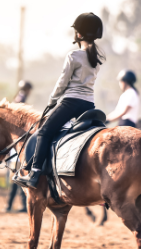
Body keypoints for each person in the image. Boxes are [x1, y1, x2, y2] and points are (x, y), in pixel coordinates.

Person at [13, 12, 104, 189]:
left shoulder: (74, 56)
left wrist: (52, 101)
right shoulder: (97, 59)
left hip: (71, 102)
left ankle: (34, 173)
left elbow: (62, 83)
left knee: (45, 132)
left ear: (78, 34)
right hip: (89, 105)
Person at [5, 80, 33, 212]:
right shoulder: (21, 99)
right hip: (18, 146)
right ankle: (15, 205)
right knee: (19, 175)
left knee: (17, 176)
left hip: (17, 145)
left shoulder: (19, 98)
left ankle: (11, 205)